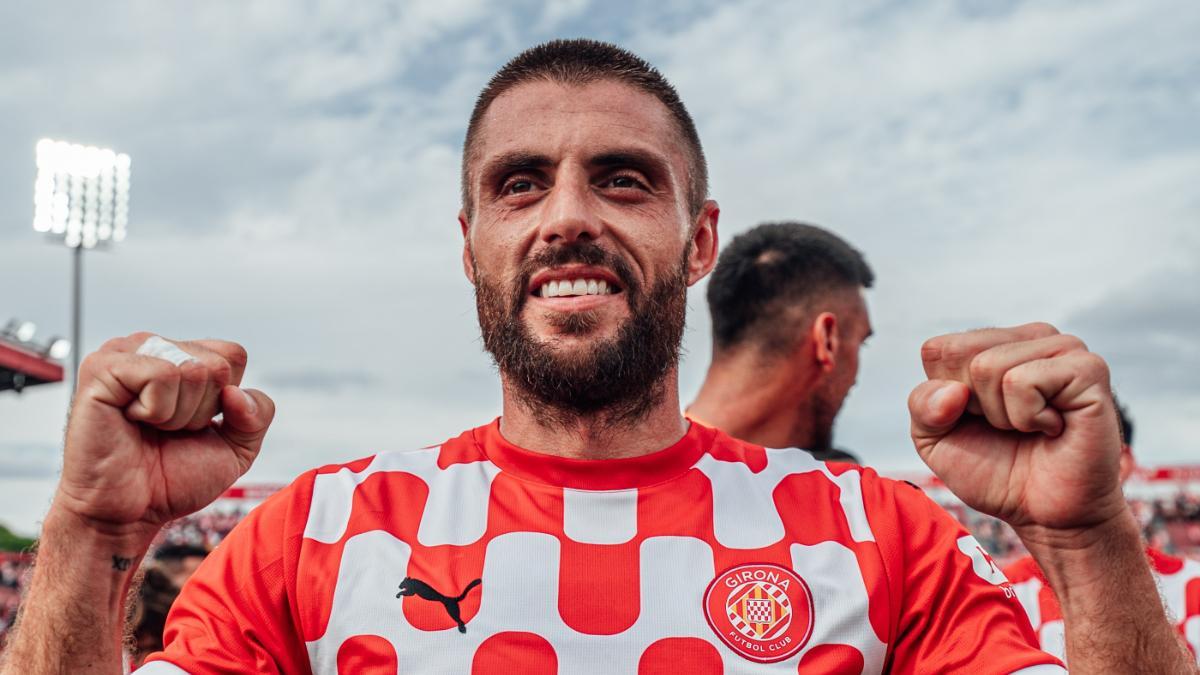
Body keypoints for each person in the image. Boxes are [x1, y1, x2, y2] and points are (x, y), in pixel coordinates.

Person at [1, 39, 1194, 674]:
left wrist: (1090, 547)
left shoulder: (878, 535)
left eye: (624, 178)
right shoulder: (313, 535)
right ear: (470, 245)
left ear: (699, 238)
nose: (567, 214)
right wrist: (89, 538)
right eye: (521, 184)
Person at [1004, 402, 1200, 662]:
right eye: (1037, 449)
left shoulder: (1193, 587)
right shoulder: (1002, 593)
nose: (1054, 468)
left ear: (1121, 463)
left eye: (1074, 448)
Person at [688, 222, 873, 463]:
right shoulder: (844, 493)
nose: (855, 380)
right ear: (827, 340)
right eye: (860, 343)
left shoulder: (639, 471)